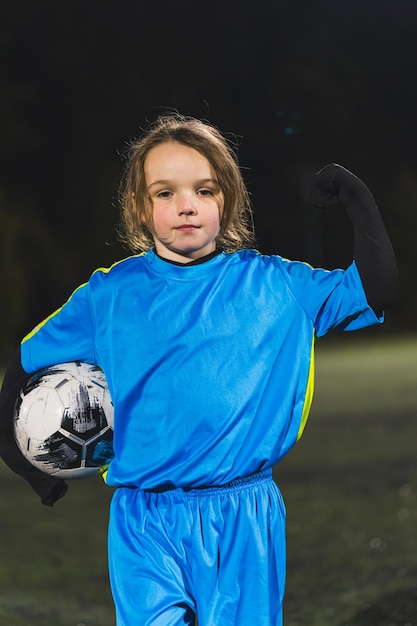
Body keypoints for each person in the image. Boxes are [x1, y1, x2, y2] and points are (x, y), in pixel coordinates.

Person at [0, 113, 398, 626]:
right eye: (164, 193)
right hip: (143, 521)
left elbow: (377, 290)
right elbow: (24, 363)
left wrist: (357, 200)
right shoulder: (109, 294)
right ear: (141, 208)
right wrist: (20, 459)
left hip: (242, 517)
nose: (185, 205)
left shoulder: (275, 287)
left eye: (203, 189)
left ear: (226, 199)